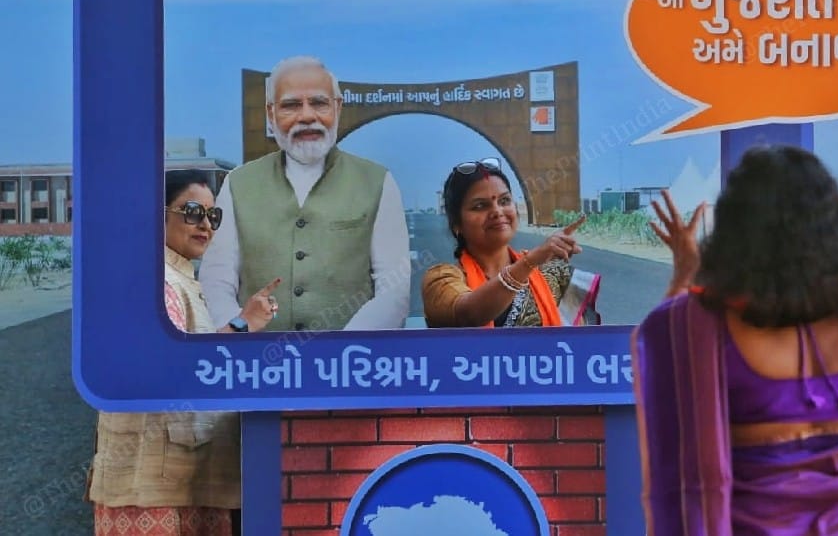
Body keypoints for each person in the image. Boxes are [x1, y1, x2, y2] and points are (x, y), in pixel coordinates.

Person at [632, 145, 838, 536]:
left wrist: (685, 275)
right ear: (836, 226)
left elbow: (671, 364)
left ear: (734, 234)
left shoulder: (689, 324)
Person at [88, 170, 280, 535]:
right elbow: (176, 364)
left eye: (212, 216)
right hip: (149, 484)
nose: (205, 225)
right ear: (157, 215)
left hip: (182, 475)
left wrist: (245, 322)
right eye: (192, 212)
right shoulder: (153, 280)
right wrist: (243, 325)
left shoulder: (179, 278)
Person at [199, 56, 411, 332]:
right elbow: (216, 281)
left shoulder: (378, 182)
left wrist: (344, 349)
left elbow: (393, 289)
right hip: (255, 356)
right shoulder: (237, 184)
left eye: (319, 103)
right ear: (271, 114)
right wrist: (240, 336)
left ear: (337, 107)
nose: (307, 116)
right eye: (291, 105)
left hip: (352, 356)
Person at [422, 157, 586, 327]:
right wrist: (529, 263)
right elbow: (468, 315)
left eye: (504, 201)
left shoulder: (550, 275)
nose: (497, 211)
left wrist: (532, 264)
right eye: (480, 206)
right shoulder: (441, 280)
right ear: (457, 224)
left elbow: (580, 340)